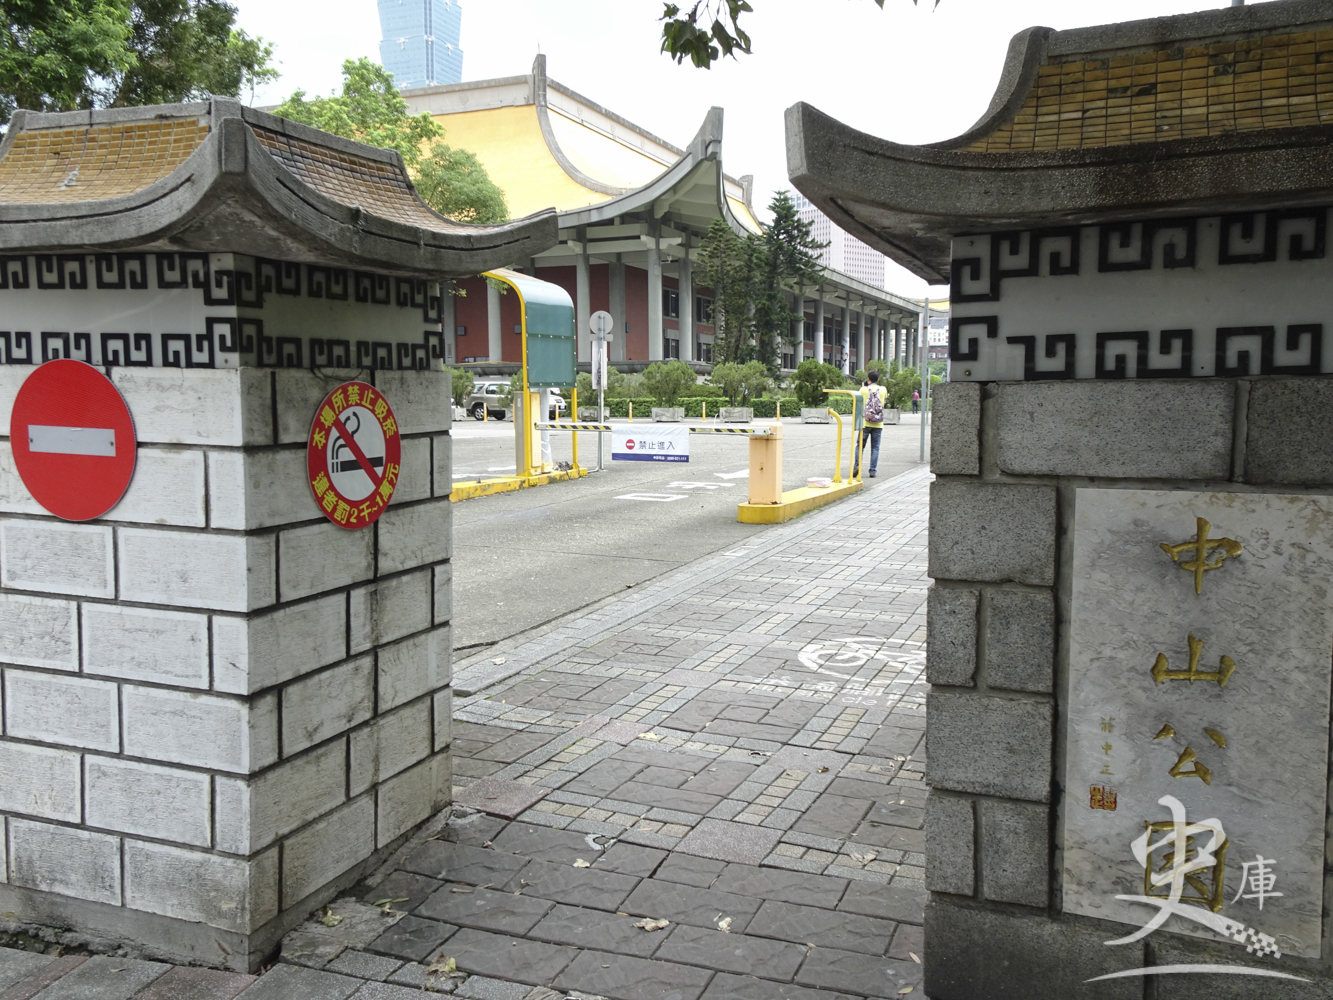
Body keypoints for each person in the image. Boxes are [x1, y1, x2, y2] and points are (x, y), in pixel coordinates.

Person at [854, 370, 890, 478]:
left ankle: (857, 467)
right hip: (878, 424)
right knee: (875, 447)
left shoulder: (863, 389)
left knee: (860, 446)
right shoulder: (883, 389)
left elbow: (858, 402)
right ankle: (873, 471)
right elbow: (883, 402)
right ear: (878, 379)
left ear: (868, 379)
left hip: (865, 422)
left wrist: (864, 386)